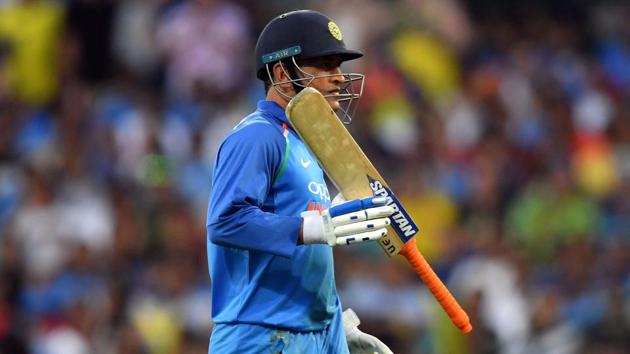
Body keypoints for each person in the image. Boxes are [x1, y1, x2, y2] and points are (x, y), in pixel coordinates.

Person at [206, 10, 395, 354]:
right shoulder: (258, 136)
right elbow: (226, 222)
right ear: (281, 73)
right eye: (324, 65)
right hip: (262, 337)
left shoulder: (304, 141)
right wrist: (314, 228)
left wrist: (336, 326)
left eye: (338, 65)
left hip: (309, 334)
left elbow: (306, 261)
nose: (338, 77)